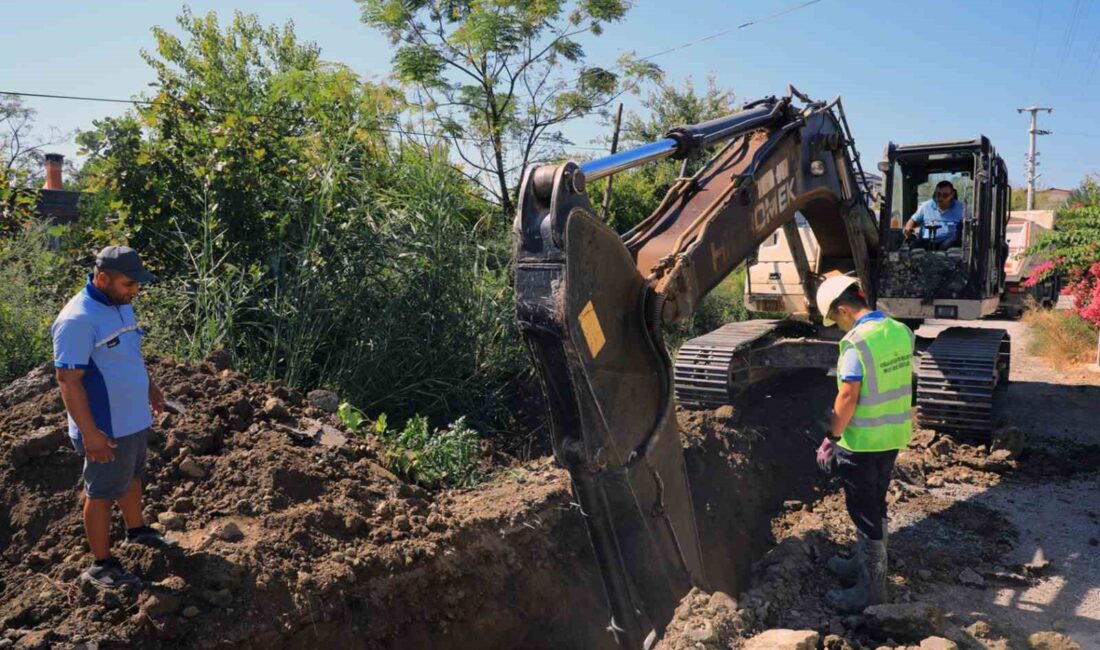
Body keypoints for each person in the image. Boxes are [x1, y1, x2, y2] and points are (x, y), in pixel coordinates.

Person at [52, 245, 173, 589]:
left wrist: (151, 388)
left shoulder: (120, 305)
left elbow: (131, 355)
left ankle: (137, 531)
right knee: (102, 492)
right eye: (128, 284)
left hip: (132, 418)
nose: (134, 290)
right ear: (102, 278)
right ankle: (100, 565)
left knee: (132, 476)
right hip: (105, 427)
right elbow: (68, 381)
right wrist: (91, 434)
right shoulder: (77, 320)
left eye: (137, 284)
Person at [813, 275, 915, 613]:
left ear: (843, 309)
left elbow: (848, 395)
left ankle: (870, 591)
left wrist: (832, 437)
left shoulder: (856, 344)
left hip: (862, 442)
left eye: (836, 319)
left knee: (863, 510)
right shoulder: (900, 331)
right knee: (876, 503)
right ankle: (862, 562)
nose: (839, 327)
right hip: (891, 435)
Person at [902, 180, 966, 249]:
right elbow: (912, 220)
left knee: (948, 245)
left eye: (945, 195)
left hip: (949, 244)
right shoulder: (926, 206)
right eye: (938, 194)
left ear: (952, 195)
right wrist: (908, 229)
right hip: (927, 242)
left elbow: (970, 225)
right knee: (914, 246)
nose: (940, 198)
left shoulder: (962, 208)